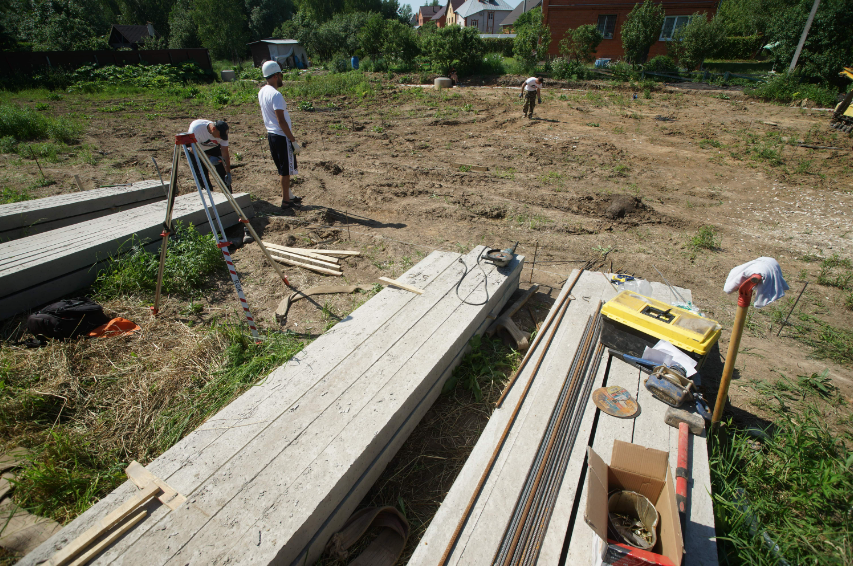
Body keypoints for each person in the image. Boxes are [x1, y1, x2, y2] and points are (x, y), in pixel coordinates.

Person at [258, 60, 302, 210]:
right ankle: (286, 202)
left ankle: (289, 195)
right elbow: (281, 121)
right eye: (281, 75)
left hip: (271, 135)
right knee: (286, 170)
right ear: (276, 75)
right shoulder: (276, 95)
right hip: (281, 136)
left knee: (282, 168)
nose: (282, 78)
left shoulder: (262, 91)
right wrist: (293, 140)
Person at [187, 119, 232, 191]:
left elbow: (225, 154)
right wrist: (209, 158)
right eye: (219, 136)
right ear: (213, 129)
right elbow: (193, 150)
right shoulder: (196, 129)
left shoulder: (222, 133)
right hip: (197, 150)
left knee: (222, 172)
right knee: (202, 175)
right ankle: (208, 196)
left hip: (213, 148)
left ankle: (229, 195)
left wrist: (228, 172)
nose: (221, 138)